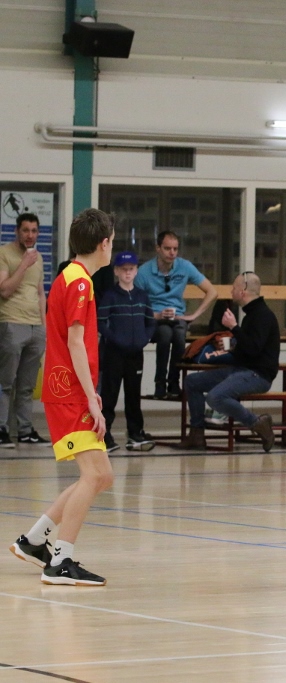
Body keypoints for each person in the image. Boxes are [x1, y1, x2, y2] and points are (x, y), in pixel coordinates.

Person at [8, 208, 114, 585]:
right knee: (96, 474)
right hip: (68, 392)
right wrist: (91, 396)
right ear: (103, 244)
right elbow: (74, 342)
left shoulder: (69, 275)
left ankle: (35, 541)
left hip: (65, 390)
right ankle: (61, 560)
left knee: (100, 476)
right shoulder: (80, 283)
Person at [174, 271, 278, 453]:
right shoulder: (251, 314)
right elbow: (247, 348)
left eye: (234, 288)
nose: (231, 291)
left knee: (215, 397)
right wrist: (231, 347)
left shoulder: (263, 315)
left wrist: (234, 328)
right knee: (192, 382)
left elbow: (254, 349)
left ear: (243, 291)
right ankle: (197, 433)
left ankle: (257, 423)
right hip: (242, 369)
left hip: (258, 375)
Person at [134, 231, 218, 400]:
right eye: (167, 248)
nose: (172, 253)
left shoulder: (184, 266)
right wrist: (157, 315)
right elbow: (135, 305)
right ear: (158, 248)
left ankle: (174, 382)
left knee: (179, 335)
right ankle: (160, 384)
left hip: (178, 316)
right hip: (154, 318)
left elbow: (212, 291)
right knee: (165, 334)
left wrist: (193, 315)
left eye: (175, 249)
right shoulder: (143, 272)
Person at [97, 252, 157, 453]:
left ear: (136, 271)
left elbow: (150, 322)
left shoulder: (142, 296)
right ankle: (104, 435)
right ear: (116, 271)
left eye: (131, 269)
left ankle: (135, 433)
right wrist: (115, 339)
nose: (127, 273)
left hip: (135, 354)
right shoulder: (110, 296)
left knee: (133, 395)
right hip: (114, 354)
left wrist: (144, 339)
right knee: (109, 395)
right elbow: (100, 322)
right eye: (123, 269)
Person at [0, 212, 47, 447]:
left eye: (34, 231)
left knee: (27, 385)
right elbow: (4, 290)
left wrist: (44, 327)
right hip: (11, 322)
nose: (30, 235)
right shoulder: (4, 253)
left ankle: (25, 430)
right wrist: (24, 264)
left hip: (35, 327)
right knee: (6, 382)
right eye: (26, 230)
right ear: (17, 231)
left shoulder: (39, 258)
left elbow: (40, 293)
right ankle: (1, 429)